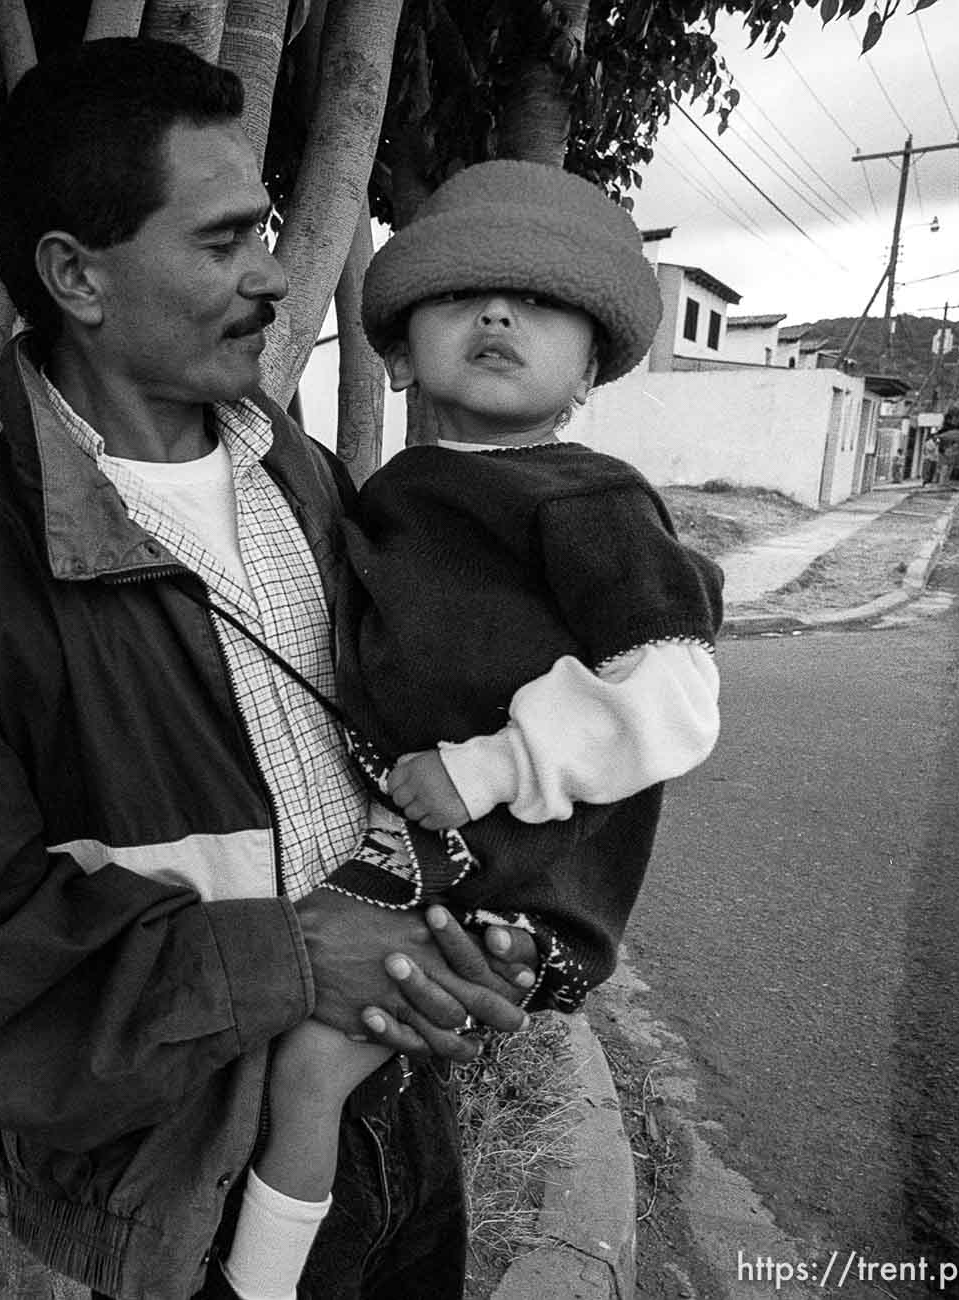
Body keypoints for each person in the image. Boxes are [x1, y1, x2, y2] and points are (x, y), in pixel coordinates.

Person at [0, 39, 555, 1300]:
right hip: (190, 1181)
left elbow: (399, 747)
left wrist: (467, 915)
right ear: (77, 276)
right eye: (223, 242)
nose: (275, 275)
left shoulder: (303, 474)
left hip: (390, 1102)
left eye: (266, 229)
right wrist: (285, 957)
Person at [220, 159, 725, 1299]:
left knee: (306, 1065)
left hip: (521, 882)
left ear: (590, 364)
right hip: (430, 862)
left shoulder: (582, 498)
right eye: (459, 297)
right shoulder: (402, 492)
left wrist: (486, 763)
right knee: (297, 1054)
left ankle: (252, 1285)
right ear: (394, 351)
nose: (499, 315)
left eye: (542, 303)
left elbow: (673, 689)